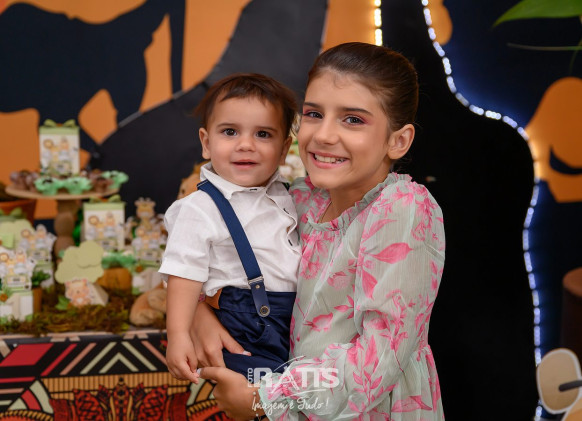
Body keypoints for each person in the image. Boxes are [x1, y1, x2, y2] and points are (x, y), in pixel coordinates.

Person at [193, 42, 446, 420]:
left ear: (398, 140)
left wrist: (263, 399)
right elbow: (211, 253)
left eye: (353, 119)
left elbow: (377, 363)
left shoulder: (401, 208)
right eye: (313, 114)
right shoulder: (298, 199)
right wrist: (198, 313)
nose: (324, 135)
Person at [159, 73, 302, 384]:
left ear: (284, 149)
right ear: (206, 143)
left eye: (263, 134)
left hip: (296, 324)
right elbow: (183, 272)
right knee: (259, 400)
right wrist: (179, 334)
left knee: (301, 399)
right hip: (246, 329)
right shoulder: (200, 207)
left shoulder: (291, 198)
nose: (245, 145)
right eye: (230, 132)